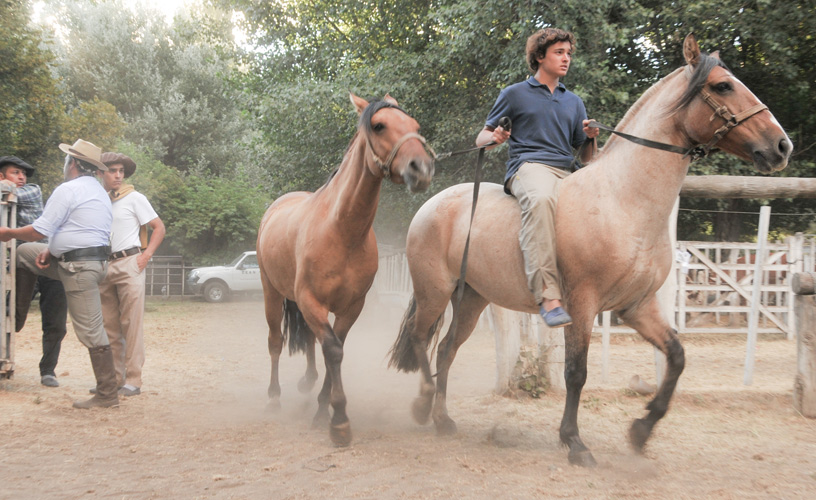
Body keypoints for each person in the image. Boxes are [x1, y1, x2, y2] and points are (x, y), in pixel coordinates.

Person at [475, 27, 600, 328]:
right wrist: (496, 136)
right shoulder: (514, 93)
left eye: (569, 53)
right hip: (529, 167)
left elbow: (586, 157)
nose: (566, 58)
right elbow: (481, 138)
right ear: (539, 56)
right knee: (542, 199)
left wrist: (592, 137)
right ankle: (548, 297)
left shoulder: (575, 102)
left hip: (567, 171)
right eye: (559, 52)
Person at [0, 139, 117, 409]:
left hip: (79, 267)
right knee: (26, 252)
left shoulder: (68, 189)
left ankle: (107, 394)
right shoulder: (98, 191)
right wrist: (51, 250)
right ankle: (15, 317)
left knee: (90, 330)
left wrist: (7, 233)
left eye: (67, 160)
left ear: (73, 163)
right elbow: (76, 230)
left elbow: (38, 229)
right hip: (83, 262)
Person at [96, 152, 165, 397]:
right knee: (109, 326)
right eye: (112, 170)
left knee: (131, 324)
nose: (118, 175)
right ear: (100, 173)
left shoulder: (135, 198)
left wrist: (145, 257)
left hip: (129, 262)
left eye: (121, 171)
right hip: (105, 265)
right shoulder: (100, 200)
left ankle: (134, 380)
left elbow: (159, 227)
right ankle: (115, 379)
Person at [0, 156, 68, 388]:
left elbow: (12, 193)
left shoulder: (31, 191)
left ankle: (48, 370)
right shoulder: (3, 201)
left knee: (56, 322)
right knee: (11, 317)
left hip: (49, 259)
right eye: (15, 173)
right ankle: (3, 361)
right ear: (2, 176)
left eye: (23, 174)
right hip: (23, 264)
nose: (21, 178)